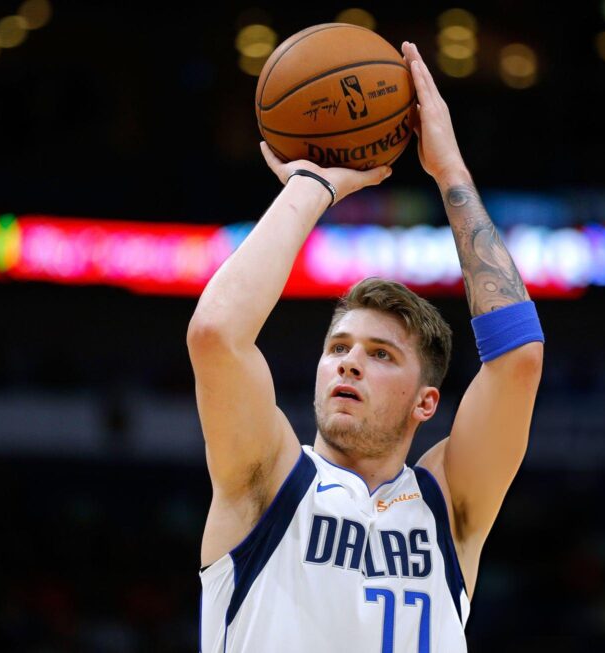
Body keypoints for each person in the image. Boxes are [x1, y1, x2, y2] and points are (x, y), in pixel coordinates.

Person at [189, 41, 544, 652]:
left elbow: (518, 363)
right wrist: (311, 186)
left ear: (426, 403)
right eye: (340, 347)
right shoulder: (268, 479)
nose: (349, 360)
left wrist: (451, 170)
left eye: (381, 354)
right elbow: (217, 335)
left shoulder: (446, 503)